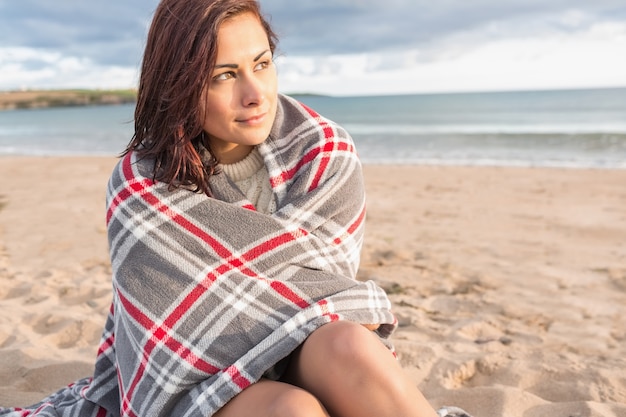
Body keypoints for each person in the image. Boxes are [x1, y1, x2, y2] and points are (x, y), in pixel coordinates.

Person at [1, 1, 471, 416]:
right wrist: (304, 302)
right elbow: (170, 324)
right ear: (180, 83)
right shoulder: (142, 183)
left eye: (262, 64)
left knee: (346, 341)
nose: (255, 94)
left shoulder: (326, 154)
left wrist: (303, 305)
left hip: (306, 347)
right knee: (292, 409)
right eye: (224, 75)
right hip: (194, 377)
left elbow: (326, 287)